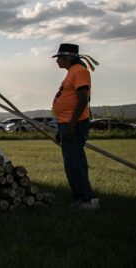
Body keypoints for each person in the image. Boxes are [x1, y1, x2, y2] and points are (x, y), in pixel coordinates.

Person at [51, 43, 100, 210]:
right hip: (67, 124)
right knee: (71, 163)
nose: (57, 61)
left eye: (59, 58)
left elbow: (82, 98)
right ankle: (80, 198)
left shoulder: (79, 71)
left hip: (75, 124)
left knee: (75, 163)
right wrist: (62, 128)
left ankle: (88, 199)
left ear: (68, 58)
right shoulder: (72, 72)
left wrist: (71, 125)